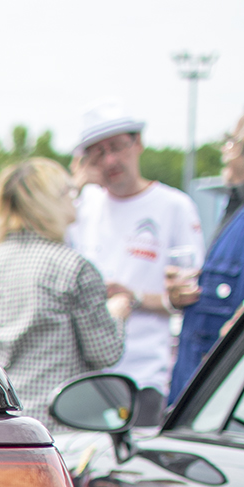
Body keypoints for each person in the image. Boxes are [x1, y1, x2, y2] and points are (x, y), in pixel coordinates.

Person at [65, 102, 204, 423]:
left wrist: (134, 297)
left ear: (138, 143)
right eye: (97, 153)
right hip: (83, 373)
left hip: (143, 374)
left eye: (116, 147)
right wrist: (75, 185)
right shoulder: (80, 207)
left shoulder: (174, 206)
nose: (110, 160)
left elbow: (188, 294)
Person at [0, 158, 127, 434]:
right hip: (60, 425)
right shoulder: (73, 266)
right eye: (68, 192)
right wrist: (119, 310)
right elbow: (104, 352)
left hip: (3, 420)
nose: (75, 199)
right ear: (47, 202)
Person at [168, 100, 244, 402]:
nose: (224, 151)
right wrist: (185, 295)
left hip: (230, 403)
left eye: (232, 141)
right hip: (202, 397)